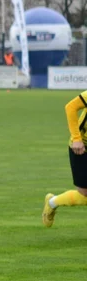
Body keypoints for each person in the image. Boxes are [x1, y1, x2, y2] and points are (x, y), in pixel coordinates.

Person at [42, 90, 87, 226]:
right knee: (84, 195)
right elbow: (71, 107)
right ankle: (52, 202)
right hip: (81, 147)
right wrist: (76, 138)